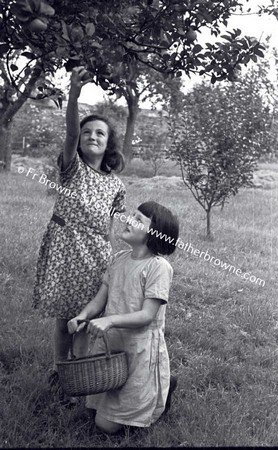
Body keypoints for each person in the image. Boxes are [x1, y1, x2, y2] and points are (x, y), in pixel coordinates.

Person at [32, 67, 126, 401]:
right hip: (66, 248)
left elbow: (111, 225)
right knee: (64, 319)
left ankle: (85, 373)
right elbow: (70, 134)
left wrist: (117, 258)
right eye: (88, 132)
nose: (92, 137)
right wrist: (74, 94)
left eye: (100, 133)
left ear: (108, 142)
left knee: (89, 316)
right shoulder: (72, 169)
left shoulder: (116, 184)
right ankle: (61, 371)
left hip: (97, 254)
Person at [68, 201, 179, 434]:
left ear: (155, 233)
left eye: (139, 219)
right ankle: (141, 397)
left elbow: (147, 315)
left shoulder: (158, 267)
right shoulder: (119, 259)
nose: (129, 220)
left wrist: (109, 321)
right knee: (94, 408)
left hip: (139, 348)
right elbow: (100, 300)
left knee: (105, 426)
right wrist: (83, 316)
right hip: (112, 343)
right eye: (132, 215)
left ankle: (163, 390)